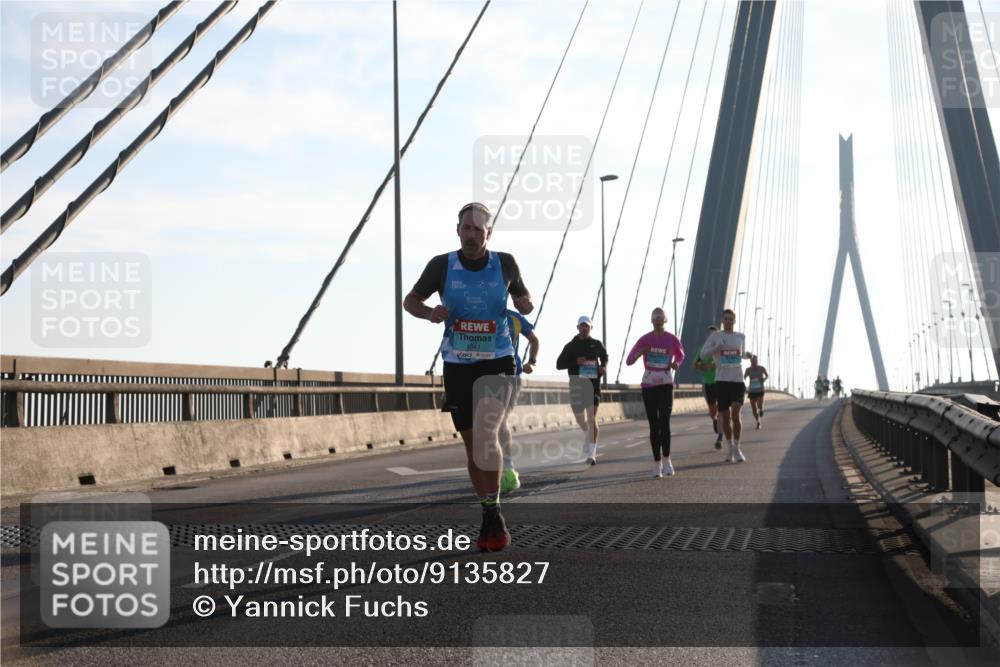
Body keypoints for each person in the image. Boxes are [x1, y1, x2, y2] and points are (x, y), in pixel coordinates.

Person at [403, 202, 533, 552]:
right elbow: (410, 300)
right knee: (473, 444)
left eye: (479, 229)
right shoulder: (441, 265)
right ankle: (489, 508)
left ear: (488, 233)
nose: (472, 234)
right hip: (458, 363)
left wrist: (524, 302)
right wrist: (431, 312)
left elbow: (522, 293)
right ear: (458, 230)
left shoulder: (504, 262)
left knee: (488, 433)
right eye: (467, 228)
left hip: (497, 360)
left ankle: (492, 512)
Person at [625, 307, 685, 477]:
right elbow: (629, 361)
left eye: (661, 317)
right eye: (655, 317)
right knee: (654, 425)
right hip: (649, 384)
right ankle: (657, 463)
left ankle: (667, 460)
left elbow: (681, 355)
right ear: (651, 320)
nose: (658, 319)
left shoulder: (672, 339)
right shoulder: (645, 339)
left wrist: (676, 364)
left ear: (665, 320)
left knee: (664, 422)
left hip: (666, 382)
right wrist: (640, 352)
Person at [698, 308, 752, 463]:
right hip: (721, 381)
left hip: (737, 380)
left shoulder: (740, 337)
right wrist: (716, 347)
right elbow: (703, 355)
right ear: (722, 320)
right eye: (726, 319)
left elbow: (741, 353)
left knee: (736, 413)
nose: (728, 321)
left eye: (731, 319)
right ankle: (729, 448)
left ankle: (737, 447)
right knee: (726, 417)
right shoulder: (716, 336)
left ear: (734, 320)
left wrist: (747, 355)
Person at [556, 316, 608, 465]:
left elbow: (604, 357)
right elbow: (559, 364)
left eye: (587, 326)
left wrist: (603, 366)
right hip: (576, 386)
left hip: (593, 385)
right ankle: (587, 434)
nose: (584, 328)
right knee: (580, 418)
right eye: (582, 326)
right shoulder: (570, 346)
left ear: (591, 328)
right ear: (577, 327)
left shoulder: (597, 344)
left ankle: (592, 454)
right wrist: (575, 361)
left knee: (591, 418)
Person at [498, 309, 539, 493]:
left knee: (500, 421)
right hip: (480, 374)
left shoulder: (514, 317)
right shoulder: (478, 311)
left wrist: (532, 361)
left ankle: (508, 469)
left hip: (510, 375)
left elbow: (534, 339)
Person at [693, 325, 723, 449]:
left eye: (714, 334)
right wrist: (704, 367)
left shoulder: (721, 349)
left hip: (720, 381)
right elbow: (695, 364)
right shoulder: (702, 349)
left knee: (722, 408)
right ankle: (715, 421)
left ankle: (720, 436)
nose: (712, 336)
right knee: (712, 411)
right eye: (710, 334)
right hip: (707, 383)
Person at [744, 355, 769, 429]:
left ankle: (761, 410)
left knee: (759, 405)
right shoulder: (748, 369)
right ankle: (758, 422)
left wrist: (764, 380)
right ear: (750, 361)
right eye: (752, 361)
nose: (753, 362)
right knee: (754, 409)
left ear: (757, 361)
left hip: (760, 389)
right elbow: (745, 376)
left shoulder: (761, 368)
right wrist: (745, 377)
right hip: (752, 390)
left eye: (755, 361)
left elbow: (767, 375)